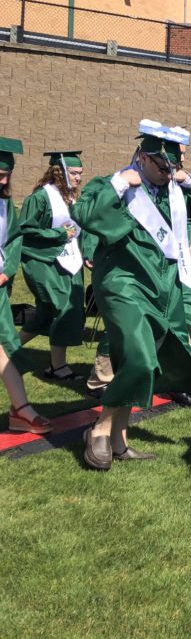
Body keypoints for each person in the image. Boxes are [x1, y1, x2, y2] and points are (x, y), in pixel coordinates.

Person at [72, 119, 191, 470]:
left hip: (160, 286)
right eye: (162, 166)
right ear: (142, 156)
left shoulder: (172, 189)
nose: (168, 173)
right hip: (123, 283)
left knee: (138, 363)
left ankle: (118, 439)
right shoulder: (121, 185)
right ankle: (98, 429)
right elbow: (85, 213)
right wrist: (119, 182)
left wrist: (187, 179)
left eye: (174, 168)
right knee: (139, 358)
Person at [17, 151, 88, 381]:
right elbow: (25, 231)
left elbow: (81, 230)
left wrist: (88, 252)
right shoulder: (40, 198)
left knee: (49, 313)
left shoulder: (73, 198)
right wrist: (59, 233)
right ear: (59, 172)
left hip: (70, 260)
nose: (78, 177)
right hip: (44, 261)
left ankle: (7, 350)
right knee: (60, 307)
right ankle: (58, 367)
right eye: (74, 173)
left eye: (80, 173)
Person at [0, 137, 52, 435]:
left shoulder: (5, 204)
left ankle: (21, 409)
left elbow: (14, 238)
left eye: (7, 174)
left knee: (5, 343)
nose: (5, 180)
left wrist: (7, 270)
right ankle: (22, 410)